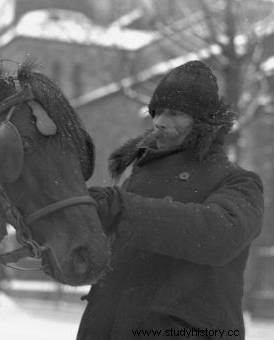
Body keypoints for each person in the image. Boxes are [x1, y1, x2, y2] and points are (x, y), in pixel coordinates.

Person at [77, 60, 264, 340]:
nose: (160, 122)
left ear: (203, 122)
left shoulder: (240, 182)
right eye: (158, 112)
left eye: (175, 113)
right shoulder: (137, 178)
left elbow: (218, 235)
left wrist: (122, 208)